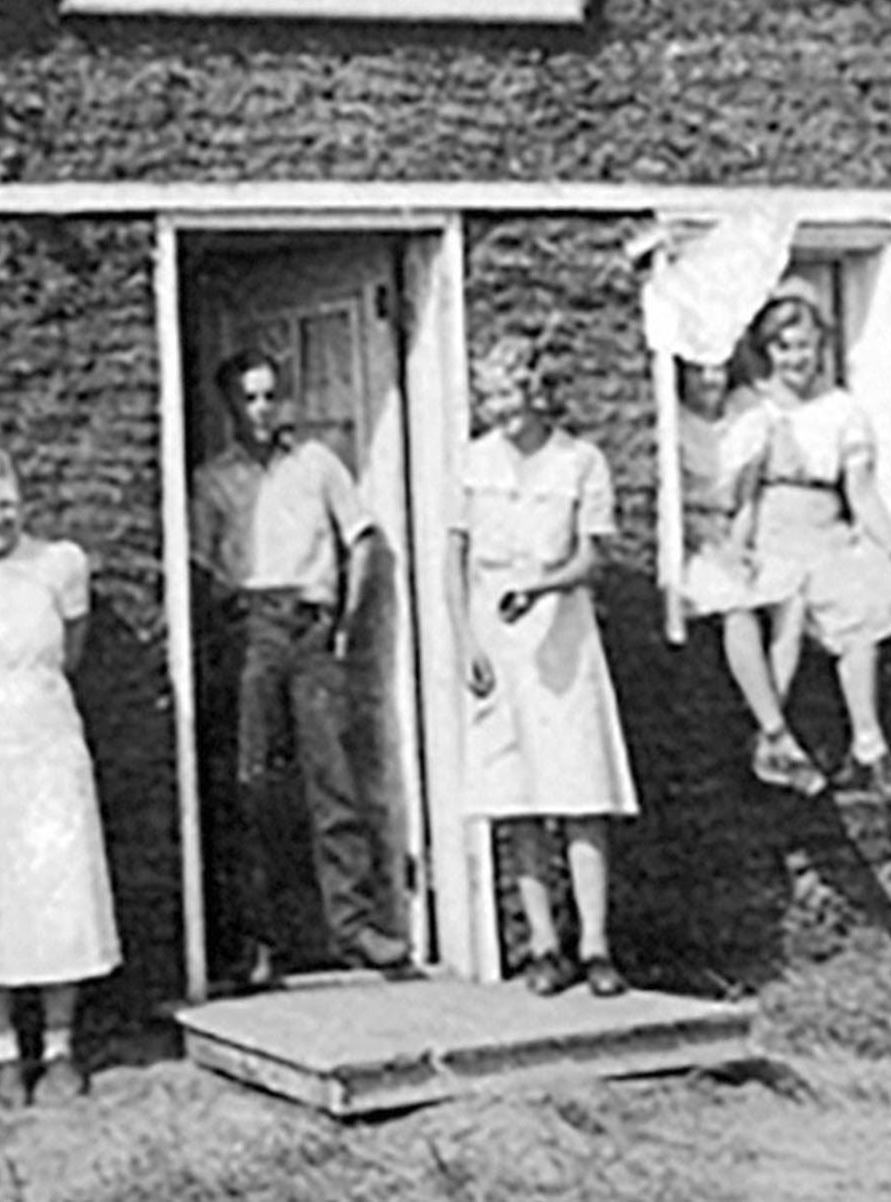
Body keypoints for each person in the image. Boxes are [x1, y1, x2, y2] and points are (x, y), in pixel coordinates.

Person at [189, 348, 409, 982]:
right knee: (254, 787)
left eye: (270, 396)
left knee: (333, 779)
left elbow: (364, 539)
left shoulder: (317, 464)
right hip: (254, 629)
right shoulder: (214, 480)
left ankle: (355, 928)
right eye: (249, 398)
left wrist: (347, 620)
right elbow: (203, 570)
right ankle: (260, 943)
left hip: (313, 630)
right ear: (230, 405)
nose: (261, 410)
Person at [0, 444, 121, 1109]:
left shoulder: (57, 565)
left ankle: (60, 1048)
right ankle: (3, 1053)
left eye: (7, 503)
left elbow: (73, 649)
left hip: (45, 735)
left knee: (55, 880)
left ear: (23, 503)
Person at [730, 287, 891, 801]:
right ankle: (870, 749)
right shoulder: (752, 406)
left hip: (833, 535)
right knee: (856, 615)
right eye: (784, 347)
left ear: (822, 346)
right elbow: (745, 494)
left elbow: (862, 494)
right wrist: (738, 552)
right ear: (767, 351)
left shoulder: (843, 409)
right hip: (781, 541)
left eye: (805, 345)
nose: (796, 358)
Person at [450, 335, 637, 997]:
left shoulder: (579, 461)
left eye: (508, 392)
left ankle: (595, 946)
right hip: (494, 634)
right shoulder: (474, 462)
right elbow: (455, 558)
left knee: (580, 792)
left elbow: (593, 559)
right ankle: (543, 946)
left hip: (561, 637)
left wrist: (546, 587)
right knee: (516, 795)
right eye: (488, 395)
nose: (499, 407)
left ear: (537, 389)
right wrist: (465, 644)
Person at [671, 356, 823, 795]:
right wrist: (715, 551)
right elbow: (674, 503)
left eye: (717, 370)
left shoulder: (747, 417)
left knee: (791, 596)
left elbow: (748, 496)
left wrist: (738, 546)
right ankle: (777, 734)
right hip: (691, 543)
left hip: (731, 534)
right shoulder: (676, 424)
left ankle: (767, 735)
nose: (709, 381)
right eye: (699, 371)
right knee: (735, 606)